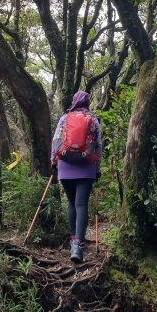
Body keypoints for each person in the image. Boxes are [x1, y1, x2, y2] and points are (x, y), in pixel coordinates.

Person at [51, 91, 101, 263]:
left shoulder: (64, 118)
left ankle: (73, 241)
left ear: (74, 101)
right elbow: (98, 146)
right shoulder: (93, 119)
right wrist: (97, 168)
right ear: (88, 103)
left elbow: (55, 141)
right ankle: (78, 247)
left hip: (65, 166)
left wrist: (53, 162)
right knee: (81, 204)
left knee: (72, 204)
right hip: (86, 167)